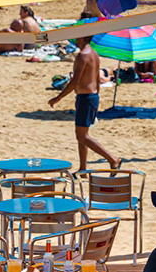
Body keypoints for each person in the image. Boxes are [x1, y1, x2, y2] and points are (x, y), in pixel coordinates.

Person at [48, 13, 121, 171]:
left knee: (82, 136)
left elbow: (75, 81)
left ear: (81, 38)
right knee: (82, 134)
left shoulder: (82, 56)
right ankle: (83, 169)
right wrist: (97, 96)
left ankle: (113, 159)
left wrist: (58, 97)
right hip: (91, 96)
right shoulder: (93, 54)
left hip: (86, 98)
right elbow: (96, 79)